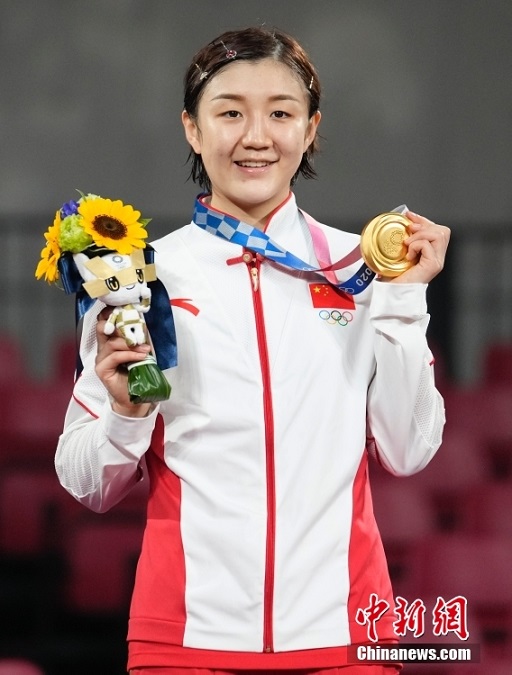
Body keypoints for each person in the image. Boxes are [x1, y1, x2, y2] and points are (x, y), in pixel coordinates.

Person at [55, 26, 450, 675]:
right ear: (192, 127)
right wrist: (127, 415)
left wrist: (405, 303)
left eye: (281, 113)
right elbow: (84, 479)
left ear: (311, 128)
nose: (257, 135)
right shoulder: (137, 275)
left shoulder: (361, 267)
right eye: (230, 111)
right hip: (183, 637)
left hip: (346, 633)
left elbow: (408, 450)